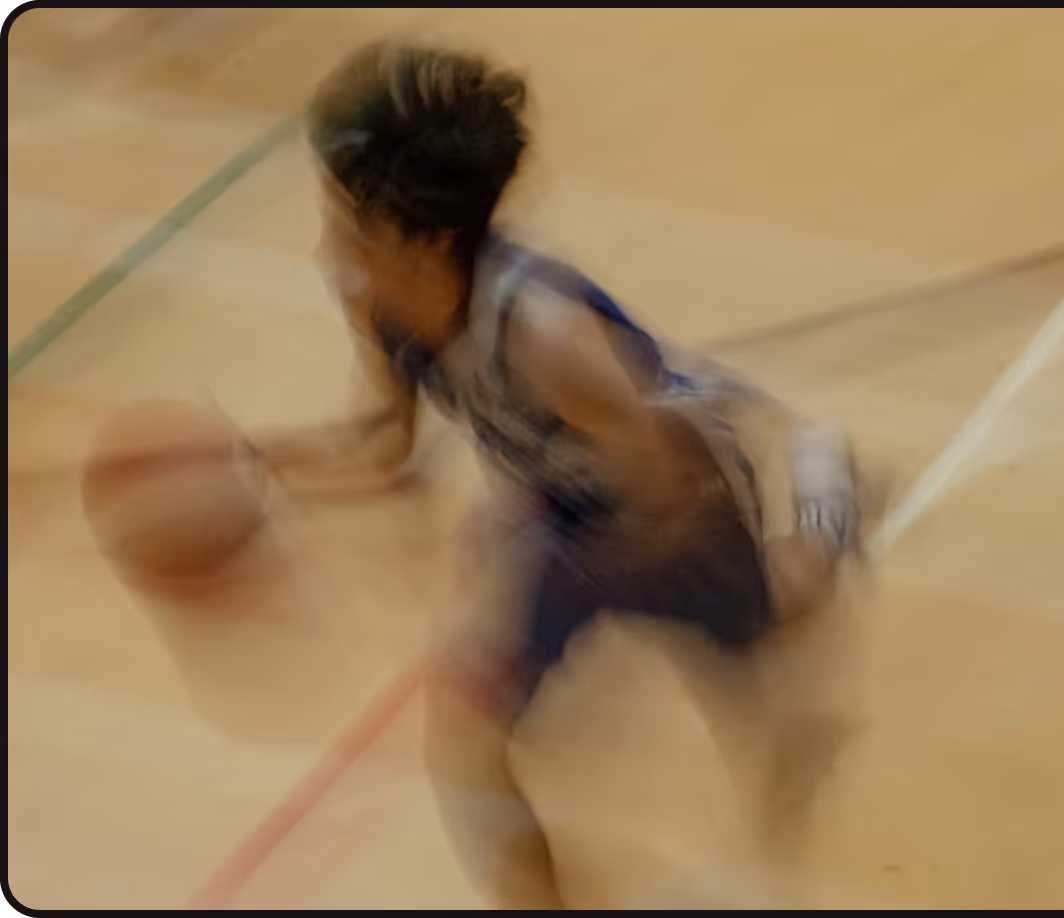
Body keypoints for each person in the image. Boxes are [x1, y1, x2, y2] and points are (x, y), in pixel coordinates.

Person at [258, 40, 870, 909]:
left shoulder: (545, 335)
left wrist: (590, 620)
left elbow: (669, 490)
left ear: (431, 241)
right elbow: (382, 444)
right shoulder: (375, 296)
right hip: (564, 509)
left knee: (779, 622)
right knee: (467, 742)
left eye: (356, 227)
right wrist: (260, 472)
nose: (333, 249)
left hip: (680, 484)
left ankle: (826, 498)